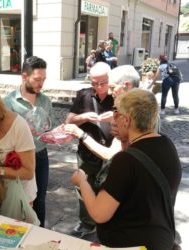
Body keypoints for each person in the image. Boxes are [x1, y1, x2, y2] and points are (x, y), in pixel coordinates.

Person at [71, 89, 181, 250]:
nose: (113, 121)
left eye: (116, 114)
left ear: (126, 120)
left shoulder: (126, 160)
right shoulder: (166, 143)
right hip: (160, 237)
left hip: (130, 244)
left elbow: (99, 213)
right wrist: (124, 141)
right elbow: (138, 181)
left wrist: (82, 181)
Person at [65, 62, 114, 237]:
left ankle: (108, 223)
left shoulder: (118, 95)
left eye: (102, 83)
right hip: (86, 153)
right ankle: (87, 223)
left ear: (111, 79)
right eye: (94, 83)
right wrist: (83, 117)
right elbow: (69, 119)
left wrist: (114, 118)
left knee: (110, 190)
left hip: (111, 153)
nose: (98, 87)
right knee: (83, 187)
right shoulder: (84, 94)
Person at [4, 56, 52, 227]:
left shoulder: (46, 101)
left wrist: (53, 134)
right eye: (37, 79)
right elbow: (4, 136)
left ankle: (41, 234)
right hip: (18, 159)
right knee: (19, 198)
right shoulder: (8, 102)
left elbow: (49, 126)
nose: (41, 84)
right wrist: (22, 132)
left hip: (40, 155)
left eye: (44, 79)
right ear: (24, 77)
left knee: (40, 199)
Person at [65, 65, 141, 162]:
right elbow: (68, 121)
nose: (109, 92)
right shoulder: (144, 105)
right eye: (94, 83)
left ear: (127, 85)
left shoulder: (133, 110)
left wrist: (80, 134)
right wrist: (85, 117)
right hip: (90, 157)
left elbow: (110, 154)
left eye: (110, 86)